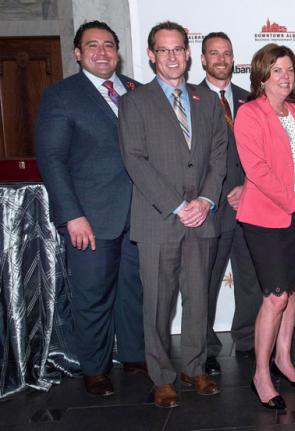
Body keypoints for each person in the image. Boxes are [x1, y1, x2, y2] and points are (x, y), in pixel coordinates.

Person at [119, 21, 226, 408]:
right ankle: (162, 377)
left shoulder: (207, 100)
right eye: (163, 50)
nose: (172, 56)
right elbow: (135, 160)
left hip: (203, 219)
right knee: (159, 305)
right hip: (158, 220)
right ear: (151, 55)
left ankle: (194, 368)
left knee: (198, 300)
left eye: (178, 49)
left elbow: (218, 157)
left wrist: (206, 201)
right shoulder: (134, 101)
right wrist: (180, 205)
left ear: (188, 53)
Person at [35, 20, 145, 397]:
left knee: (135, 290)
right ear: (78, 53)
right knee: (93, 295)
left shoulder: (135, 90)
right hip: (90, 217)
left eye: (109, 45)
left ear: (118, 51)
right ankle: (95, 368)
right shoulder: (62, 95)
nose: (102, 52)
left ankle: (134, 355)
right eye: (93, 45)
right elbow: (51, 159)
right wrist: (72, 214)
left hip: (140, 215)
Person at [233, 44, 295, 411]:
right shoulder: (249, 114)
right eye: (277, 70)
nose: (285, 77)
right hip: (266, 217)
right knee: (275, 296)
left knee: (292, 292)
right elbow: (258, 172)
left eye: (289, 70)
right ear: (262, 76)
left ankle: (284, 361)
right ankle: (261, 374)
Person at [198, 31, 262, 375]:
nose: (221, 59)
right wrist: (219, 193)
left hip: (250, 205)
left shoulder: (248, 99)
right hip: (210, 209)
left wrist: (249, 187)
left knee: (250, 277)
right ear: (203, 59)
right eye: (214, 53)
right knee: (206, 280)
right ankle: (206, 345)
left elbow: (262, 153)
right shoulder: (190, 99)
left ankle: (247, 340)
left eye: (227, 53)